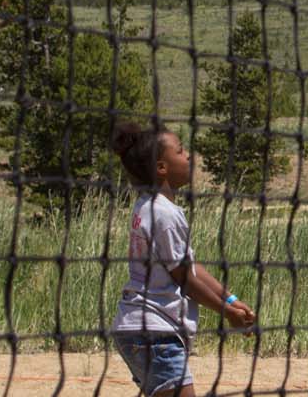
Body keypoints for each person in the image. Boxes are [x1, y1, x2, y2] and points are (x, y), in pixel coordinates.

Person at [109, 121, 257, 397]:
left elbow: (190, 266)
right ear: (161, 167)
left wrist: (231, 300)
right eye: (180, 151)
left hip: (140, 329)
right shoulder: (165, 213)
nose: (188, 155)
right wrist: (228, 315)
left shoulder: (148, 206)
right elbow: (186, 279)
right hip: (155, 333)